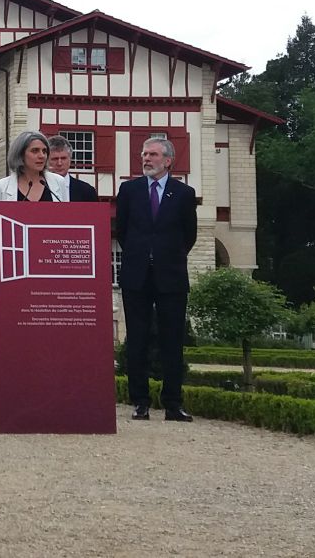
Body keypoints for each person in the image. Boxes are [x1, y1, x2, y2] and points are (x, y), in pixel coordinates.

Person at [114, 135, 198, 422]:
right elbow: (122, 231)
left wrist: (164, 256)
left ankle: (173, 403)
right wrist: (143, 254)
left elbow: (189, 236)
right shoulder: (129, 190)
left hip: (171, 276)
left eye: (152, 154)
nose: (146, 159)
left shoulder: (184, 193)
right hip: (136, 275)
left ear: (168, 160)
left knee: (172, 340)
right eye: (144, 154)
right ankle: (140, 401)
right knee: (136, 340)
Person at [0, 130, 70, 202]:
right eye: (35, 151)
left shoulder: (58, 182)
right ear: (21, 154)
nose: (42, 156)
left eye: (44, 151)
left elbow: (66, 216)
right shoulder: (1, 187)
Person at [46, 134, 98, 202]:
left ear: (70, 159)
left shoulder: (87, 191)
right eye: (55, 159)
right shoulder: (37, 189)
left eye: (63, 158)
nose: (59, 163)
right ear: (46, 160)